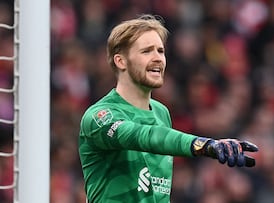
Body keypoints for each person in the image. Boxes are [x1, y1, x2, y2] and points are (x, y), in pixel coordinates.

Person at [78, 14, 258, 203]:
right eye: (147, 51)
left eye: (161, 51)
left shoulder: (161, 113)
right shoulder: (99, 116)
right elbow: (143, 136)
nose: (158, 59)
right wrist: (203, 145)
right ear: (121, 61)